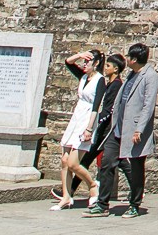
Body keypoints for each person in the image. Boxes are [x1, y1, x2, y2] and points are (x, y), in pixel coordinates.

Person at [109, 42, 158, 219]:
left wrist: (139, 129)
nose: (126, 59)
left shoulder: (150, 76)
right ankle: (101, 202)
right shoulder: (131, 74)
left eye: (129, 57)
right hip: (120, 126)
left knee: (137, 166)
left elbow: (148, 105)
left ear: (135, 59)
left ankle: (135, 203)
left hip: (135, 129)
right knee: (109, 159)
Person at [52, 49, 103, 210]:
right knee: (65, 160)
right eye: (84, 61)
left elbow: (96, 106)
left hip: (87, 120)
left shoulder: (100, 80)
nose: (85, 64)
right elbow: (68, 62)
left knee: (73, 163)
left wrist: (89, 128)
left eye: (88, 61)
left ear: (96, 63)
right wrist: (80, 55)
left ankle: (92, 185)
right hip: (77, 117)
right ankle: (66, 197)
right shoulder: (83, 77)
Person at [85, 53, 127, 217]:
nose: (105, 68)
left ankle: (102, 201)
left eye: (108, 66)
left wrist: (98, 121)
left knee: (108, 163)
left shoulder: (117, 85)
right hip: (105, 128)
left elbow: (110, 109)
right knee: (114, 162)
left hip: (109, 129)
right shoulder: (109, 83)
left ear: (116, 69)